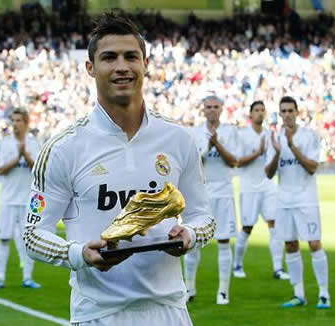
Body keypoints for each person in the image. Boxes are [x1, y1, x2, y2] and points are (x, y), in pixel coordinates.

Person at [24, 12, 215, 326]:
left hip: (170, 312)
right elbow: (33, 235)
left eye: (131, 57)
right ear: (91, 68)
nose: (122, 67)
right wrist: (78, 254)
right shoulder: (63, 149)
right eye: (109, 58)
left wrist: (190, 234)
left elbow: (204, 217)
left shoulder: (178, 140)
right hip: (99, 315)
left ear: (146, 64)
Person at [265, 96, 330, 309]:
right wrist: (276, 153)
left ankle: (323, 294)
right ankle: (298, 294)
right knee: (290, 245)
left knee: (314, 243)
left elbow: (312, 167)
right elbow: (268, 173)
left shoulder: (309, 136)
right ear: (280, 114)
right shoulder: (274, 138)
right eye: (283, 111)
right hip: (284, 201)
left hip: (306, 199)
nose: (287, 115)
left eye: (290, 110)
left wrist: (292, 146)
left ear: (297, 112)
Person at [184, 95, 238, 305]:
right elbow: (192, 163)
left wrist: (218, 145)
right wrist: (208, 146)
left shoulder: (230, 132)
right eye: (208, 107)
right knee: (192, 241)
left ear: (222, 109)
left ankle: (223, 291)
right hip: (200, 194)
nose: (212, 110)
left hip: (223, 192)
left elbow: (234, 161)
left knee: (224, 241)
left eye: (216, 107)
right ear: (203, 110)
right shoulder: (194, 133)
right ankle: (189, 288)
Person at [233, 101, 289, 280]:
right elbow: (238, 161)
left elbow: (271, 165)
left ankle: (278, 268)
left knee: (274, 225)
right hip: (249, 187)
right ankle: (237, 264)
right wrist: (257, 152)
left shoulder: (270, 136)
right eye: (256, 110)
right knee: (247, 227)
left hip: (267, 186)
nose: (259, 113)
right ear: (250, 114)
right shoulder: (242, 135)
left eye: (262, 110)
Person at [0, 109, 41, 290]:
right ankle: (0, 278)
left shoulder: (35, 144)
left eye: (19, 120)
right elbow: (1, 170)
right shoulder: (4, 143)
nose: (15, 124)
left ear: (26, 123)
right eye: (13, 120)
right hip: (8, 199)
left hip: (28, 200)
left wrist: (26, 156)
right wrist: (17, 157)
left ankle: (27, 277)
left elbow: (39, 171)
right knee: (3, 238)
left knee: (28, 240)